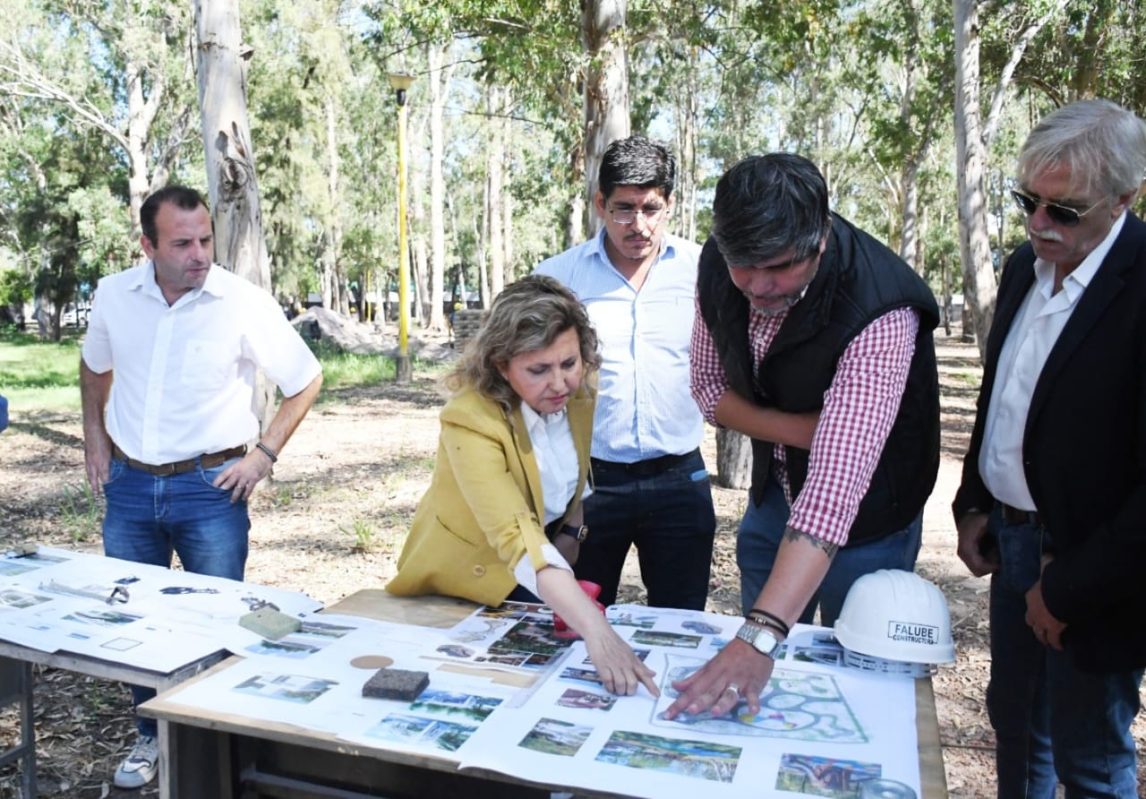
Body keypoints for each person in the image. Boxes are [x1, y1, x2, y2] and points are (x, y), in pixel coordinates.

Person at [668, 153, 939, 719]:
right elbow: (709, 389)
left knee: (853, 687)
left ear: (820, 242)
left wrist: (760, 635)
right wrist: (808, 431)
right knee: (759, 695)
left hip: (870, 521)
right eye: (744, 266)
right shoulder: (721, 264)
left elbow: (836, 490)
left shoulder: (881, 304)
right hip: (774, 498)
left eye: (781, 267)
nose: (758, 286)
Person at [80, 185, 323, 789]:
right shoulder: (114, 295)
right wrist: (94, 436)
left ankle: (217, 746)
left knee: (218, 622)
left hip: (211, 490)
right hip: (131, 487)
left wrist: (263, 456)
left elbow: (305, 379)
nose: (199, 254)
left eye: (206, 239)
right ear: (147, 245)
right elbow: (94, 364)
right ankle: (150, 738)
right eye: (182, 243)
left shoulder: (240, 302)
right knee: (136, 621)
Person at [952, 99, 1146, 799]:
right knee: (1018, 729)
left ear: (1125, 198)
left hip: (1099, 570)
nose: (1038, 223)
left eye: (1064, 210)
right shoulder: (1020, 270)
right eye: (1028, 200)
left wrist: (1068, 587)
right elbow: (1004, 397)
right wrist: (975, 501)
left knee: (1089, 759)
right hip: (1012, 541)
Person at [387, 275, 658, 697]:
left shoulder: (579, 390)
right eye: (538, 370)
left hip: (547, 565)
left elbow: (576, 463)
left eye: (569, 363)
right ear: (501, 364)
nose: (559, 383)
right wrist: (598, 632)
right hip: (468, 580)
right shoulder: (470, 419)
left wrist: (571, 531)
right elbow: (517, 538)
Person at [535, 135, 716, 611]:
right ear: (600, 204)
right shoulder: (558, 278)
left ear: (670, 204)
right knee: (576, 623)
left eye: (651, 208)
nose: (639, 225)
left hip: (681, 479)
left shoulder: (704, 271)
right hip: (591, 485)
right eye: (623, 209)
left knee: (682, 623)